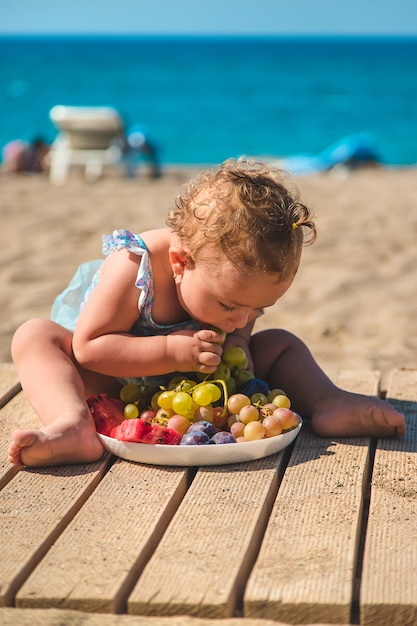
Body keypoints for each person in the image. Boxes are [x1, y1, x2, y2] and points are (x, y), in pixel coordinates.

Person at [8, 158, 405, 468]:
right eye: (229, 306)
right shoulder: (135, 264)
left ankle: (326, 400)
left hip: (196, 392)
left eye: (258, 308)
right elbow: (91, 346)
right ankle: (72, 423)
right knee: (35, 336)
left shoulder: (232, 292)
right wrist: (170, 352)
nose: (239, 319)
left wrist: (241, 345)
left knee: (281, 344)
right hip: (112, 381)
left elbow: (240, 330)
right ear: (181, 263)